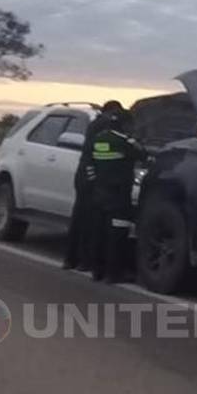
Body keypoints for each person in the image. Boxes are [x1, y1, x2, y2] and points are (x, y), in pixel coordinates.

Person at [62, 101, 123, 270]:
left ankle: (71, 259)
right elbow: (101, 151)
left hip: (85, 174)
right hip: (94, 177)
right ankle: (85, 260)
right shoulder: (104, 126)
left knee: (79, 218)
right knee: (91, 221)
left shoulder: (95, 124)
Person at [89, 106, 147, 283]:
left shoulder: (99, 139)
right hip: (119, 196)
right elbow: (143, 155)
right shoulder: (124, 142)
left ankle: (97, 271)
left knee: (99, 232)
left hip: (99, 193)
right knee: (117, 234)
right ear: (124, 125)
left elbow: (91, 166)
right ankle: (113, 274)